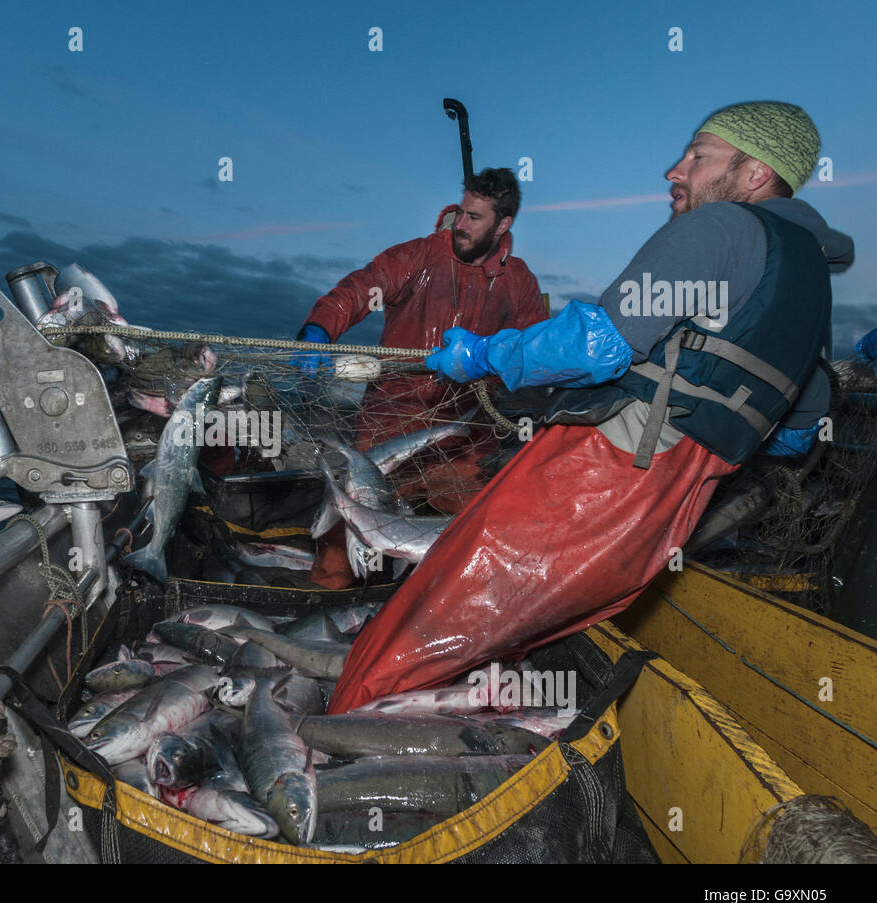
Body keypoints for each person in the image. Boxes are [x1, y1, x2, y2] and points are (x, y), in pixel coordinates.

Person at [329, 101, 855, 714]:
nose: (674, 171)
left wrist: (481, 355)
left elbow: (598, 344)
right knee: (508, 635)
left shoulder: (722, 228)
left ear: (755, 174)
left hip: (603, 470)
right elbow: (799, 422)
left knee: (417, 635)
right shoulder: (809, 279)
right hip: (671, 507)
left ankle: (341, 748)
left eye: (698, 155)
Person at [291, 168, 547, 587]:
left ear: (503, 225)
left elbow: (536, 348)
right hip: (390, 418)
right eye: (461, 213)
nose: (461, 225)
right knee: (343, 531)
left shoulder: (518, 282)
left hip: (463, 434)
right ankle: (327, 604)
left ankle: (448, 611)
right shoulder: (417, 256)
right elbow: (361, 288)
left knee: (472, 538)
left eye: (475, 218)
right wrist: (320, 326)